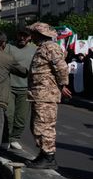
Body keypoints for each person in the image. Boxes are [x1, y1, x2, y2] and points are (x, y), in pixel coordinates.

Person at [26, 22, 70, 169]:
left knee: (44, 125)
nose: (31, 36)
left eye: (33, 34)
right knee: (37, 125)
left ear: (40, 34)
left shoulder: (50, 47)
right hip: (40, 93)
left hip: (46, 93)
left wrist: (63, 85)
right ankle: (44, 154)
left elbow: (61, 67)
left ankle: (49, 157)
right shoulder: (43, 47)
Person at [4, 30, 36, 150]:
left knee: (21, 117)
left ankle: (15, 138)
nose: (22, 37)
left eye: (25, 36)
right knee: (9, 114)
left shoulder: (35, 49)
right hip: (9, 86)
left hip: (26, 88)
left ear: (30, 37)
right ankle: (6, 138)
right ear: (16, 35)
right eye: (20, 35)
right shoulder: (8, 47)